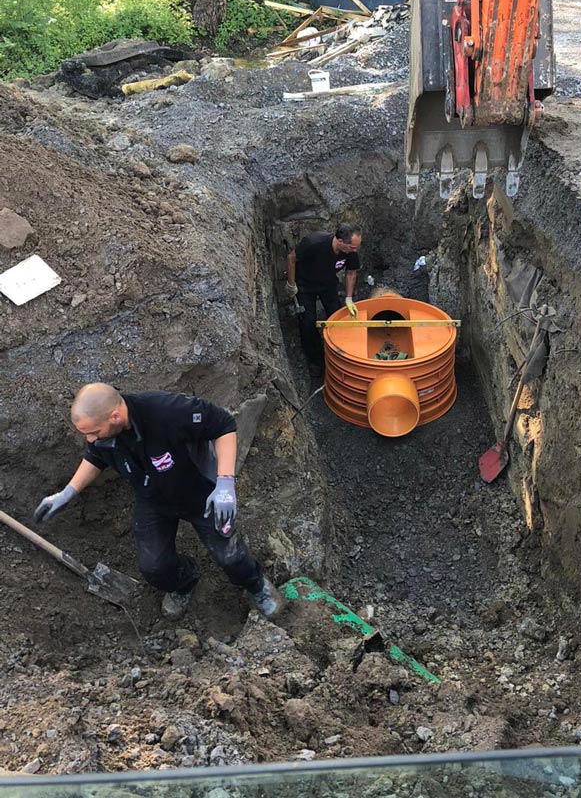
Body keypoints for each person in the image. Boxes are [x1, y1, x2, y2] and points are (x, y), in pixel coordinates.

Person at [33, 383, 284, 621]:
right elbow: (96, 457)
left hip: (199, 493)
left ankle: (256, 585)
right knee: (154, 567)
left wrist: (225, 484)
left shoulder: (167, 411)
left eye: (93, 432)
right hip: (152, 498)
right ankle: (185, 581)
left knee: (231, 557)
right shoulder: (103, 434)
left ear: (115, 416)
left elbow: (224, 425)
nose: (90, 439)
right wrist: (67, 493)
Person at [286, 224, 362, 375]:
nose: (355, 251)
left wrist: (348, 298)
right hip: (305, 284)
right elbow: (291, 258)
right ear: (340, 241)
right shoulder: (314, 243)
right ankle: (316, 360)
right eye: (353, 247)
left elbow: (351, 272)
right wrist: (291, 284)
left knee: (338, 317)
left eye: (356, 247)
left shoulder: (350, 251)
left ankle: (341, 351)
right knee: (307, 323)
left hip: (327, 284)